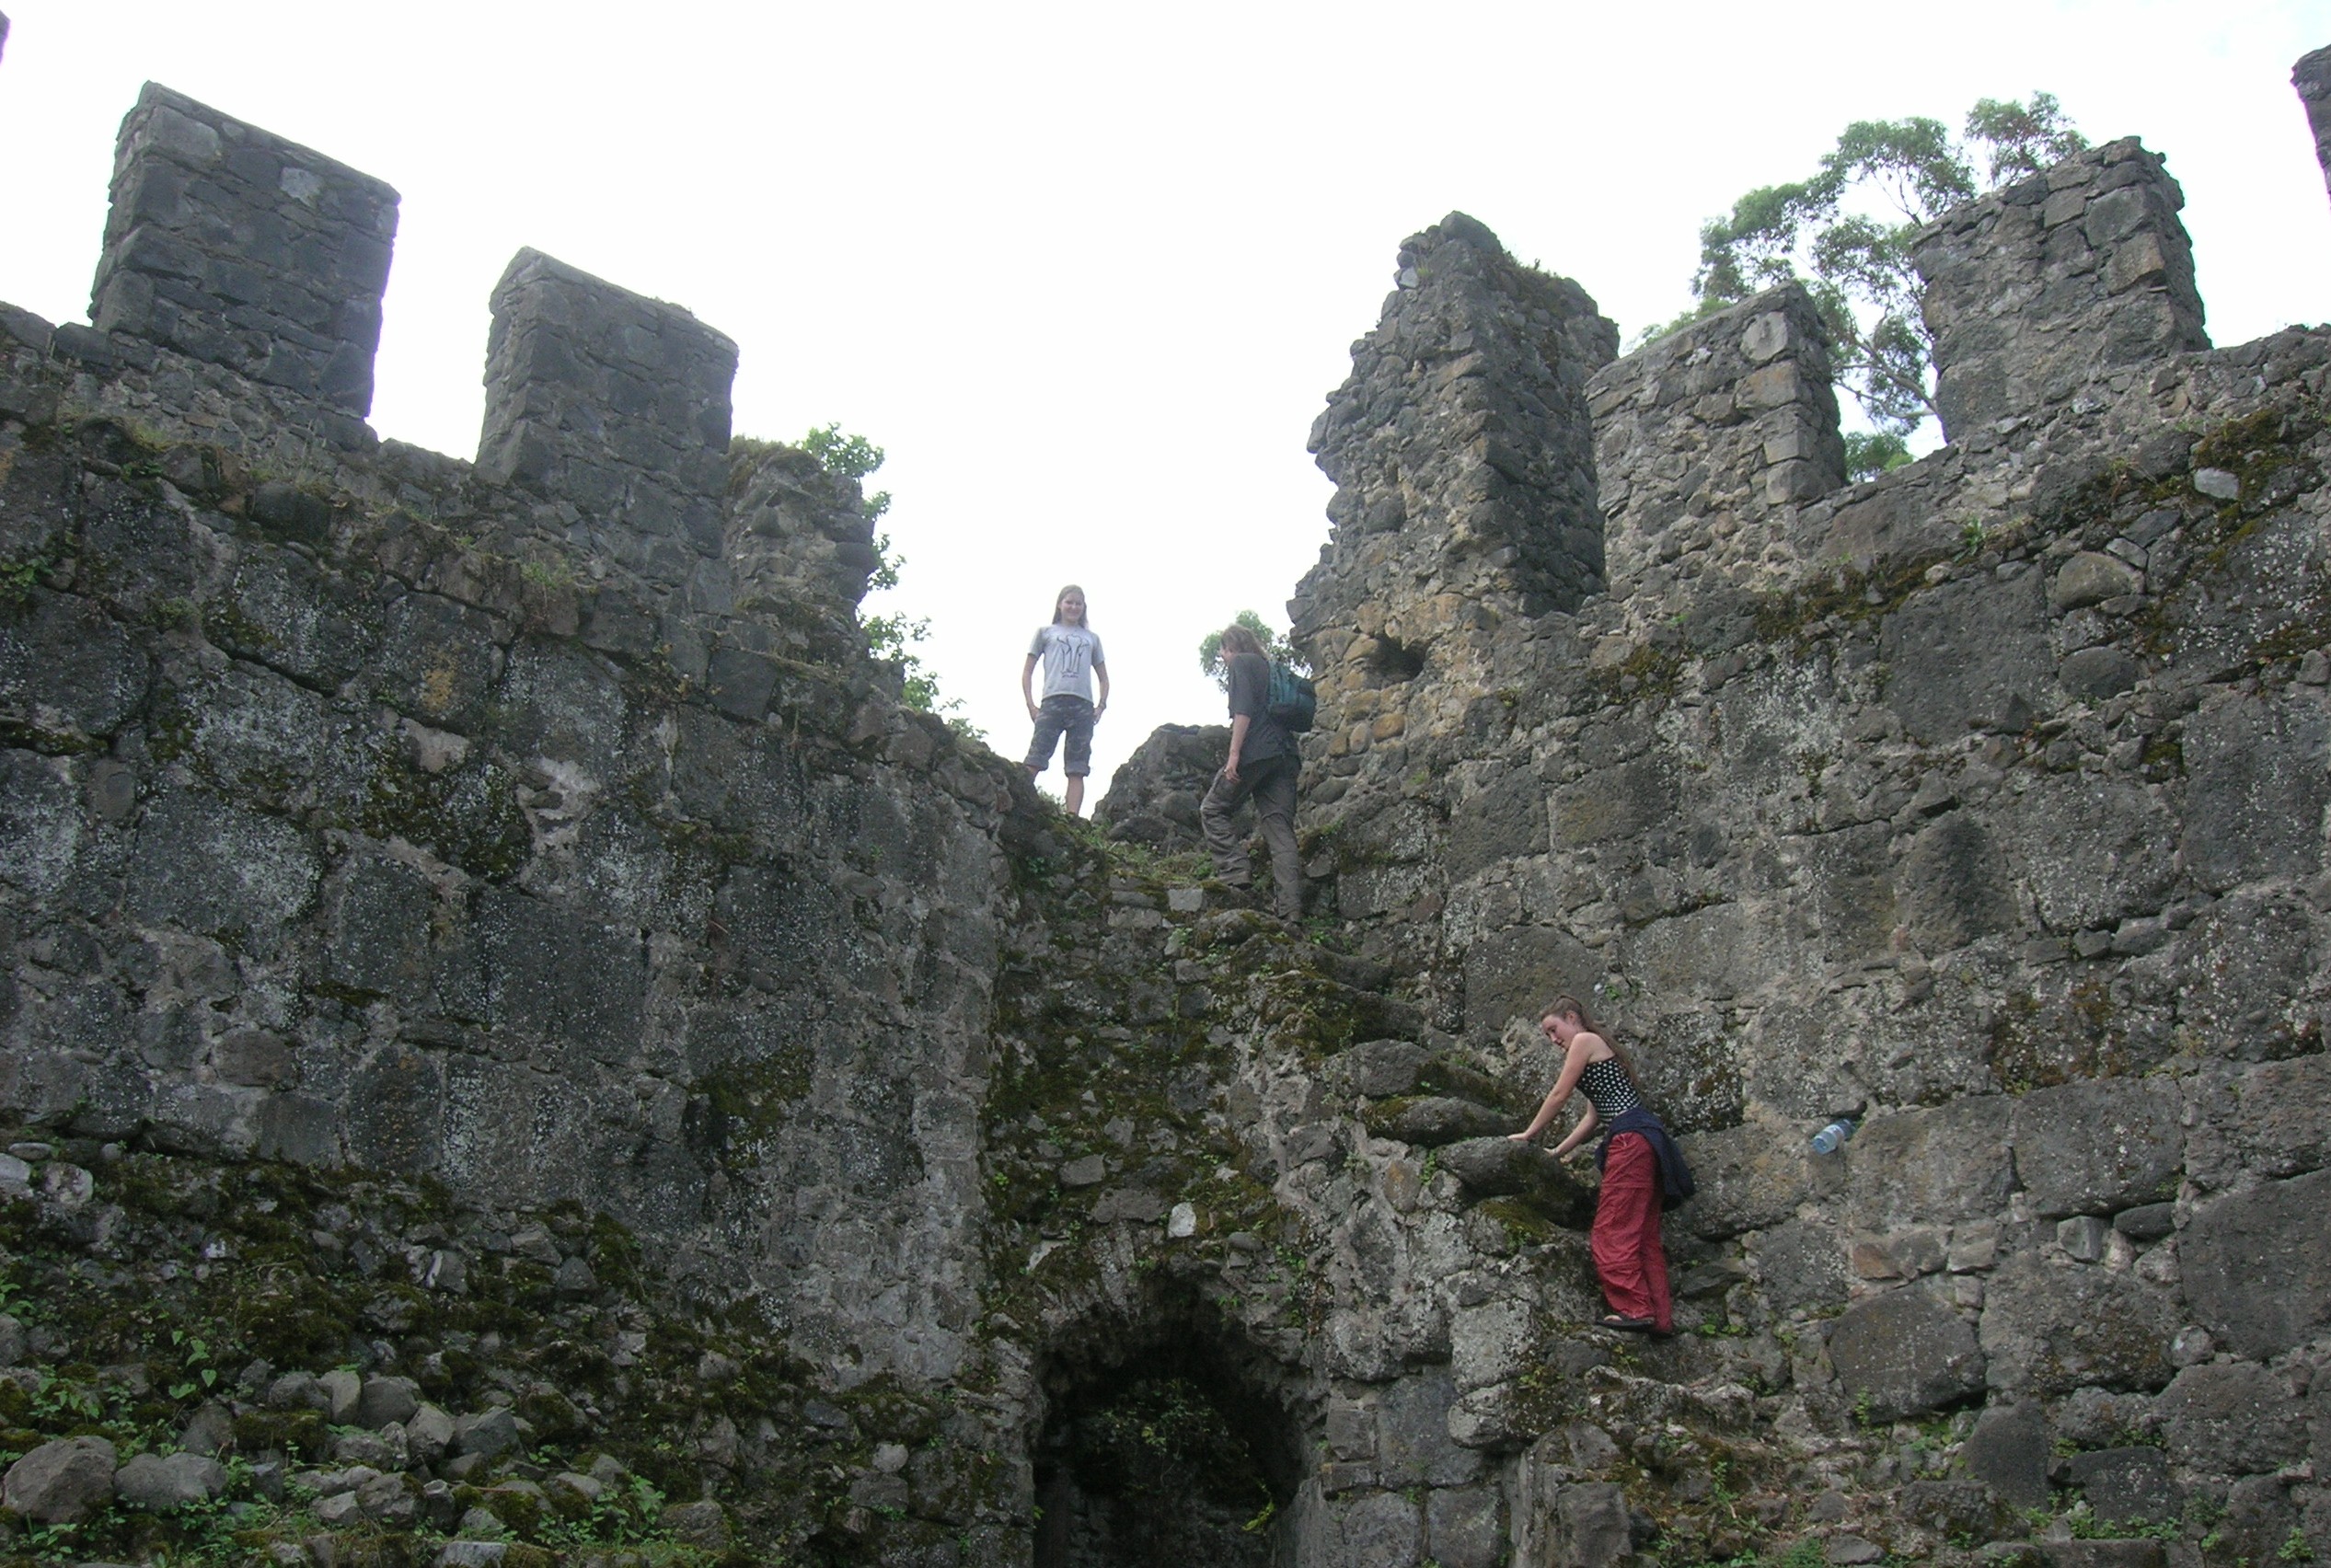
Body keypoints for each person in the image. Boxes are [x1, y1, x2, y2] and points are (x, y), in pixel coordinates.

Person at [1508, 996, 1693, 1334]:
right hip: (1645, 1141)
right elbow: (1593, 1117)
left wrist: (1529, 1133)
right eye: (1547, 1035)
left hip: (1630, 1142)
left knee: (1612, 1231)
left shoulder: (1584, 1040)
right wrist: (1557, 1151)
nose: (1553, 1039)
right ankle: (1660, 1319)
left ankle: (1635, 1309)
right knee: (1643, 1236)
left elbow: (1559, 1094)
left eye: (1553, 1029)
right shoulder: (1601, 1052)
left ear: (1571, 1017)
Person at [1200, 622, 1302, 920]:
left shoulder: (1241, 664)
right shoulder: (1271, 668)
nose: (1222, 657)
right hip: (1285, 754)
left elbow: (1242, 711)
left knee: (1213, 809)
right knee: (1279, 828)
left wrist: (1234, 755)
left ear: (1230, 647)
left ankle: (1235, 872)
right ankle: (1291, 910)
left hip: (1255, 751)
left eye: (1222, 651)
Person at [1021, 584, 1109, 816]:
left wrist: (1101, 705)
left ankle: (1072, 818)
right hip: (1052, 701)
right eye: (1069, 602)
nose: (1073, 607)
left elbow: (1103, 677)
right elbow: (1027, 671)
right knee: (1035, 758)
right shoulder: (1045, 633)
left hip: (1082, 705)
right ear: (1060, 604)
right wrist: (1031, 705)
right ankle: (1017, 802)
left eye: (1078, 603)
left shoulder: (1092, 638)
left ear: (1084, 607)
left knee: (1077, 767)